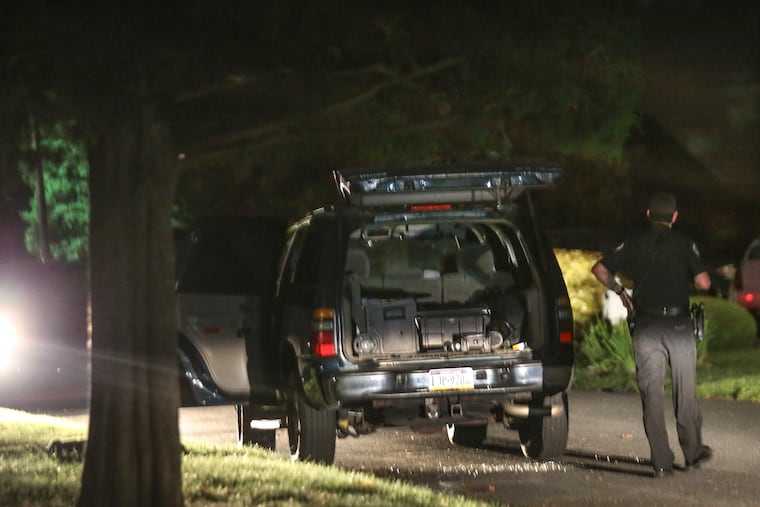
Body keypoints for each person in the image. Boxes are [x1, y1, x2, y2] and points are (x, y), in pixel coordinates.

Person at [591, 192, 713, 478]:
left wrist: (620, 291)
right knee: (685, 392)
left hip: (646, 325)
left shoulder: (633, 241)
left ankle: (661, 461)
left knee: (651, 394)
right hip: (678, 326)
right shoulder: (684, 243)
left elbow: (599, 269)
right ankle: (692, 451)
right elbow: (704, 282)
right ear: (674, 217)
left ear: (648, 214)